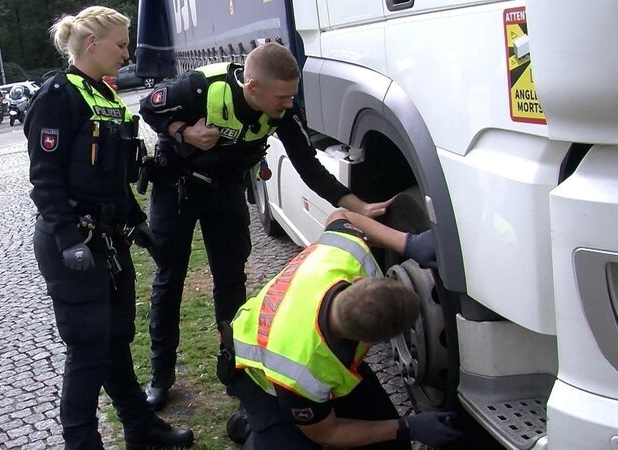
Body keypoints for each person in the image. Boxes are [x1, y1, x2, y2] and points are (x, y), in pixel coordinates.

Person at [138, 41, 395, 410]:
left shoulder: (283, 109)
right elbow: (150, 106)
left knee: (230, 280)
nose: (289, 104)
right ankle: (161, 376)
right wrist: (184, 132)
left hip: (225, 191)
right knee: (169, 279)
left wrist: (359, 207)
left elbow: (308, 165)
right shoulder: (200, 87)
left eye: (293, 95)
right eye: (282, 96)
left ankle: (235, 368)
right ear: (253, 88)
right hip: (176, 189)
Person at [25, 6, 194, 449]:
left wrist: (138, 226)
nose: (127, 53)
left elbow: (113, 177)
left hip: (109, 239)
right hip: (73, 242)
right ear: (92, 44)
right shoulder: (58, 96)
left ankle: (141, 427)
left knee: (117, 338)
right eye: (121, 44)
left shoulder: (104, 95)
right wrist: (67, 241)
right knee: (87, 348)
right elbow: (45, 179)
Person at [222, 210, 459, 449]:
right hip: (258, 375)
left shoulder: (346, 257)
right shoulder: (301, 370)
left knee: (392, 442)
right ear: (365, 341)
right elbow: (327, 433)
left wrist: (407, 243)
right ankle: (255, 425)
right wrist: (409, 426)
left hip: (289, 342)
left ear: (357, 282)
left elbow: (341, 215)